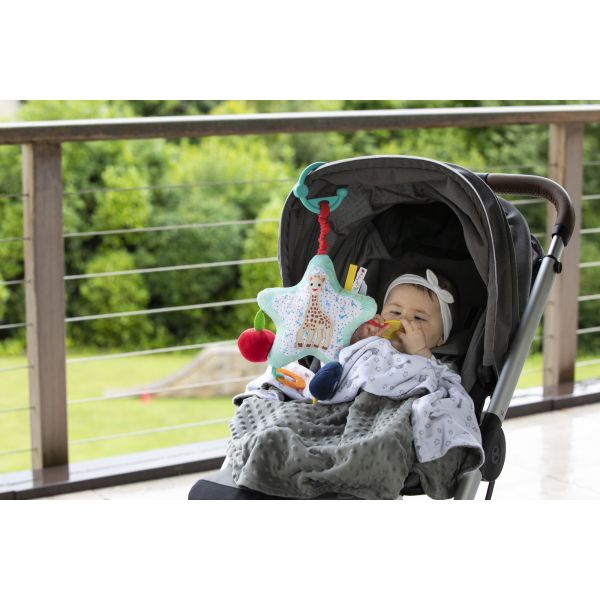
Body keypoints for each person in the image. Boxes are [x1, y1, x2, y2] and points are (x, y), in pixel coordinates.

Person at [308, 268, 458, 401]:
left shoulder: (439, 365)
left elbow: (442, 386)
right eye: (395, 312)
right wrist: (359, 337)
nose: (403, 321)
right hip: (348, 400)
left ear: (441, 338)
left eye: (418, 318)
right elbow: (339, 356)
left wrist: (420, 352)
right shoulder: (371, 341)